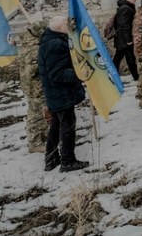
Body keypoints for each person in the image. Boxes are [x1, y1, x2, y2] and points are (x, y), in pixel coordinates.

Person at [37, 15, 88, 172]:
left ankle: (51, 159)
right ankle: (67, 161)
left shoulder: (49, 39)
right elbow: (57, 74)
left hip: (55, 93)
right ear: (59, 28)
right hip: (61, 94)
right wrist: (79, 73)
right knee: (67, 126)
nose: (68, 26)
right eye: (66, 24)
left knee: (56, 125)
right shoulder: (56, 45)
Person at [18, 22, 47, 153]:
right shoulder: (34, 49)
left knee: (41, 112)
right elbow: (32, 70)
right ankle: (34, 143)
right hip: (35, 87)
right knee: (36, 114)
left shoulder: (27, 43)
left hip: (32, 86)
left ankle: (42, 135)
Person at [113, 0, 139, 81]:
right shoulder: (126, 8)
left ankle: (113, 74)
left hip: (121, 38)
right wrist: (128, 39)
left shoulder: (126, 6)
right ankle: (136, 76)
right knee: (130, 58)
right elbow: (124, 25)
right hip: (124, 38)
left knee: (118, 57)